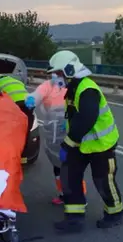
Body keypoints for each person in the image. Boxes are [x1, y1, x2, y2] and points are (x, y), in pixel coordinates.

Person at [46, 50, 123, 232]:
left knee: (103, 180)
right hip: (81, 143)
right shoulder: (73, 88)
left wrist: (68, 143)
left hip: (101, 145)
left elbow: (86, 119)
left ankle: (115, 213)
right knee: (69, 176)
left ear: (69, 70)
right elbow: (74, 116)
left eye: (58, 73)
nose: (55, 78)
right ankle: (74, 218)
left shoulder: (87, 89)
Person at [25, 75, 87, 205]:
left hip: (70, 132)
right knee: (57, 166)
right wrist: (32, 99)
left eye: (59, 72)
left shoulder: (73, 86)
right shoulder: (48, 85)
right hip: (53, 134)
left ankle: (79, 196)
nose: (56, 76)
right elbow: (38, 94)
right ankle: (63, 194)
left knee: (72, 167)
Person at [0, 73, 33, 164]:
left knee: (10, 130)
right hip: (29, 104)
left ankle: (9, 153)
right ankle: (24, 155)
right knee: (26, 129)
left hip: (15, 104)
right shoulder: (16, 81)